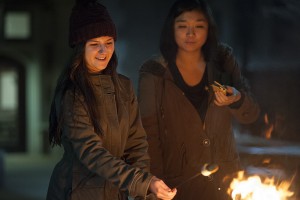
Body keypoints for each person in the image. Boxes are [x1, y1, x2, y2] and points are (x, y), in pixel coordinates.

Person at [46, 0, 177, 200]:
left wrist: (146, 192)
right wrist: (143, 182)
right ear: (80, 48)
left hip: (116, 191)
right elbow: (91, 152)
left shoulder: (123, 87)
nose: (103, 51)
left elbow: (136, 144)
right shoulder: (72, 92)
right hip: (77, 191)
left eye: (108, 42)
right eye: (94, 44)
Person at [138, 0, 260, 199]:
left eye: (199, 26)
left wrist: (237, 99)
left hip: (227, 182)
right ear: (171, 28)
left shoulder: (223, 60)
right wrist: (154, 185)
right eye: (183, 26)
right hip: (179, 184)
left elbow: (251, 113)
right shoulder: (154, 72)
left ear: (209, 29)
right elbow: (148, 134)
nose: (190, 34)